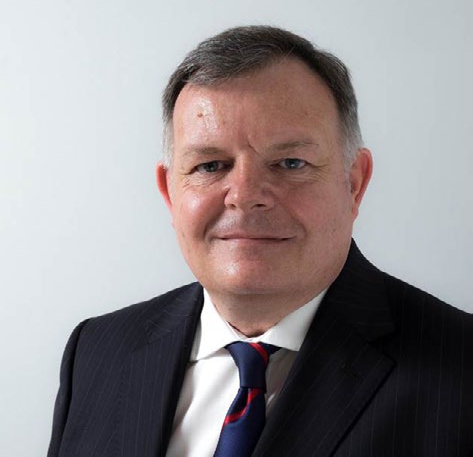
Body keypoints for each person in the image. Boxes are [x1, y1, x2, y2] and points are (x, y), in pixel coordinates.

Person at [48, 26, 473, 457]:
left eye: (290, 162)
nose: (246, 195)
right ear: (169, 192)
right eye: (211, 165)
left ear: (354, 184)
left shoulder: (460, 369)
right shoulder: (98, 350)